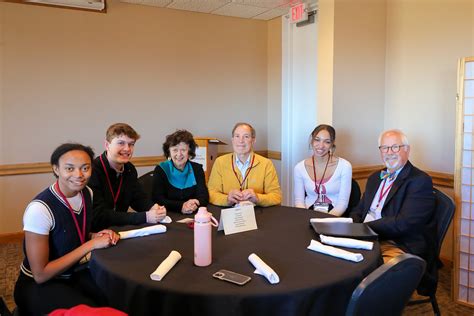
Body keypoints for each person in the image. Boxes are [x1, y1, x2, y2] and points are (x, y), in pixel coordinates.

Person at [14, 143, 120, 315]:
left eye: (85, 168)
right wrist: (90, 245)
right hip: (39, 284)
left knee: (116, 297)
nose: (79, 175)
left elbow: (76, 232)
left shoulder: (87, 193)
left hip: (74, 273)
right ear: (56, 169)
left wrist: (94, 236)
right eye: (69, 168)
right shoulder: (39, 209)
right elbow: (41, 274)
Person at [350, 129, 436, 294]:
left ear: (407, 150)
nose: (389, 153)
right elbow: (359, 210)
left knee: (372, 283)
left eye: (395, 147)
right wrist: (350, 227)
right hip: (367, 236)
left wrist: (365, 228)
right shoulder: (375, 177)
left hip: (397, 243)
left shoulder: (419, 181)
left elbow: (405, 223)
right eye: (384, 148)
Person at [89, 123, 166, 231]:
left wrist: (153, 207)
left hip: (119, 229)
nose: (127, 149)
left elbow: (137, 198)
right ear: (107, 145)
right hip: (96, 233)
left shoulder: (130, 169)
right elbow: (99, 216)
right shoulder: (92, 171)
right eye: (121, 143)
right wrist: (146, 217)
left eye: (131, 144)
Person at [208, 122, 281, 207]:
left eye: (246, 136)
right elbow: (211, 193)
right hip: (228, 213)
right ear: (232, 140)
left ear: (253, 140)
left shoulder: (266, 164)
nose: (241, 141)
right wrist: (227, 199)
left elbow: (276, 196)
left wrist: (258, 198)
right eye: (237, 136)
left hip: (258, 214)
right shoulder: (220, 162)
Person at [293, 124, 352, 216]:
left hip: (334, 216)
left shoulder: (345, 166)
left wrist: (326, 221)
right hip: (307, 214)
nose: (321, 146)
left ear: (332, 144)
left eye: (327, 142)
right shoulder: (299, 168)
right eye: (317, 140)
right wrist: (305, 218)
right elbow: (299, 201)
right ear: (312, 141)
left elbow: (342, 204)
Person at [152, 130, 209, 214]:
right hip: (168, 215)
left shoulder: (197, 169)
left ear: (189, 152)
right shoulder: (161, 169)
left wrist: (195, 202)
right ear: (169, 152)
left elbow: (204, 197)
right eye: (175, 150)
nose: (179, 154)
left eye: (183, 150)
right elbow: (158, 199)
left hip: (193, 214)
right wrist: (181, 206)